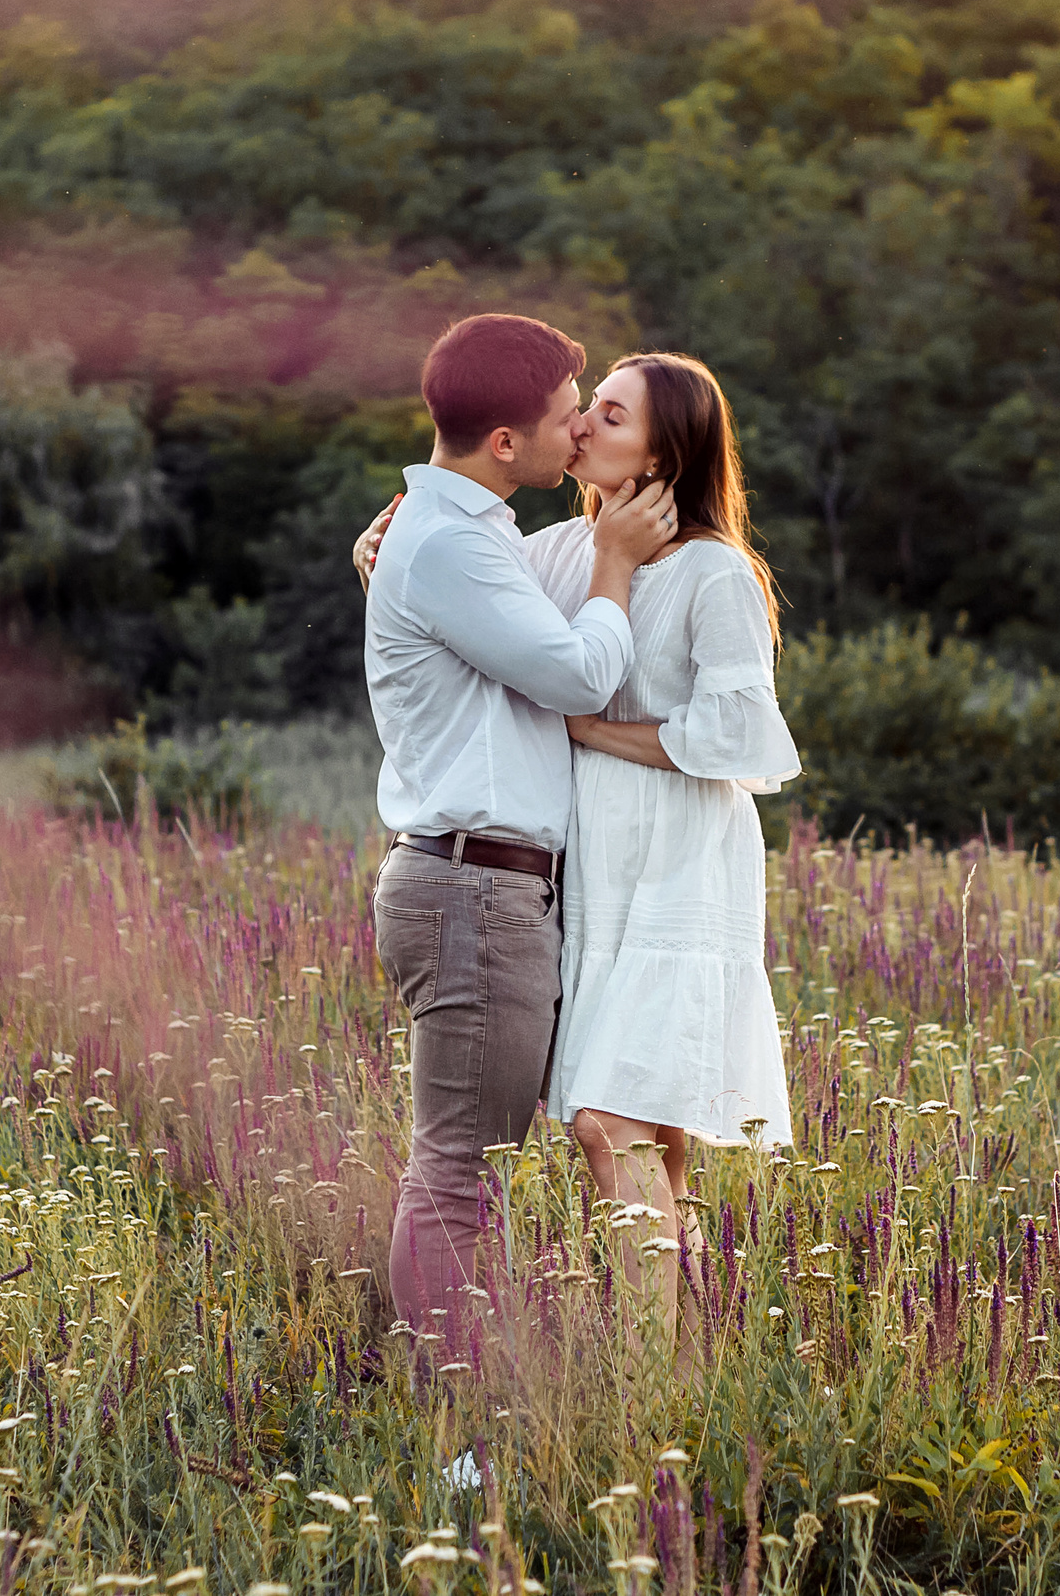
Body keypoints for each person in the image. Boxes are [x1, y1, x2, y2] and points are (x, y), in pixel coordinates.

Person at [358, 351, 798, 1347]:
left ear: (664, 455)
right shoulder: (558, 550)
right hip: (591, 870)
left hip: (679, 858)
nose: (585, 425)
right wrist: (377, 549)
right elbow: (445, 589)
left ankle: (650, 1381)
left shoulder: (713, 570)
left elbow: (740, 736)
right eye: (586, 407)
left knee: (608, 1117)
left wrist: (587, 730)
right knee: (648, 1136)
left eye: (611, 414)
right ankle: (690, 1370)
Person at [363, 313, 677, 1358]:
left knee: (478, 1165)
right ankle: (453, 1412)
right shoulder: (452, 541)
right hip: (472, 891)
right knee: (459, 1174)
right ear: (505, 442)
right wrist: (615, 563)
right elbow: (579, 675)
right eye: (564, 416)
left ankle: (477, 1383)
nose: (579, 428)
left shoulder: (465, 528)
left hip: (487, 889)